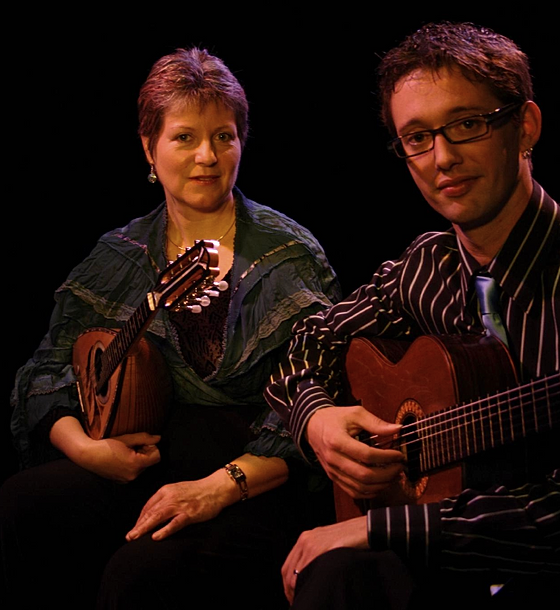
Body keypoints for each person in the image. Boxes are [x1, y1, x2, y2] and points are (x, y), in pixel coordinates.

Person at [0, 47, 341, 609]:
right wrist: (86, 449)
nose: (207, 156)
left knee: (139, 576)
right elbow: (45, 366)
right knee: (25, 503)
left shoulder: (287, 254)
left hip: (256, 476)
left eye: (224, 137)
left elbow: (320, 396)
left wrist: (213, 490)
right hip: (158, 457)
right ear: (148, 148)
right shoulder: (122, 254)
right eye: (185, 137)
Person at [265, 21, 559, 609]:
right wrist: (319, 422)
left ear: (524, 127)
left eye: (468, 124)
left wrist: (381, 527)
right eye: (417, 138)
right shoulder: (424, 266)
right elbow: (305, 344)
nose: (442, 158)